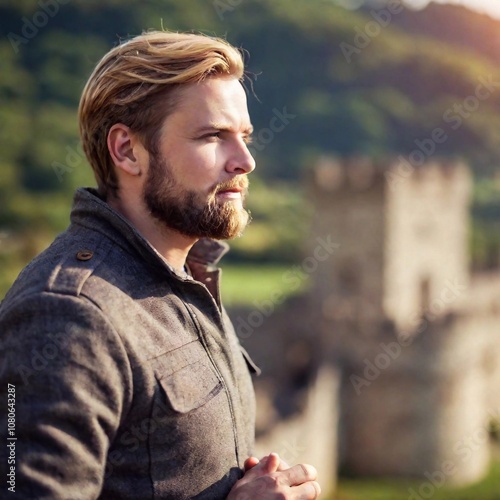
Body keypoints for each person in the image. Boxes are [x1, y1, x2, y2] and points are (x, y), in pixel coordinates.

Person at [0, 30, 321, 499]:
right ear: (127, 151)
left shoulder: (187, 276)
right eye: (213, 136)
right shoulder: (68, 314)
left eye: (244, 137)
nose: (245, 161)